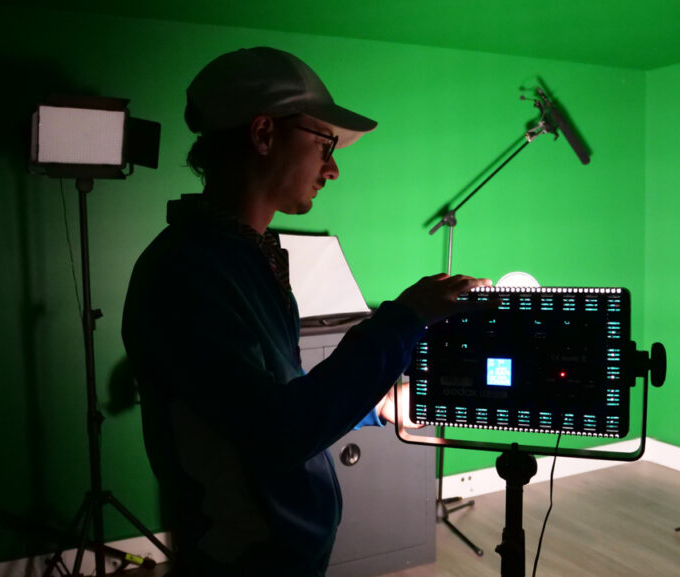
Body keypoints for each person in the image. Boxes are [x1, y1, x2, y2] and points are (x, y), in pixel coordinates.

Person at [122, 46, 491, 577]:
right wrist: (405, 317)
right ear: (264, 134)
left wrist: (380, 403)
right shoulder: (188, 272)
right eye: (326, 144)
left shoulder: (247, 257)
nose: (334, 168)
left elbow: (275, 398)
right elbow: (277, 434)